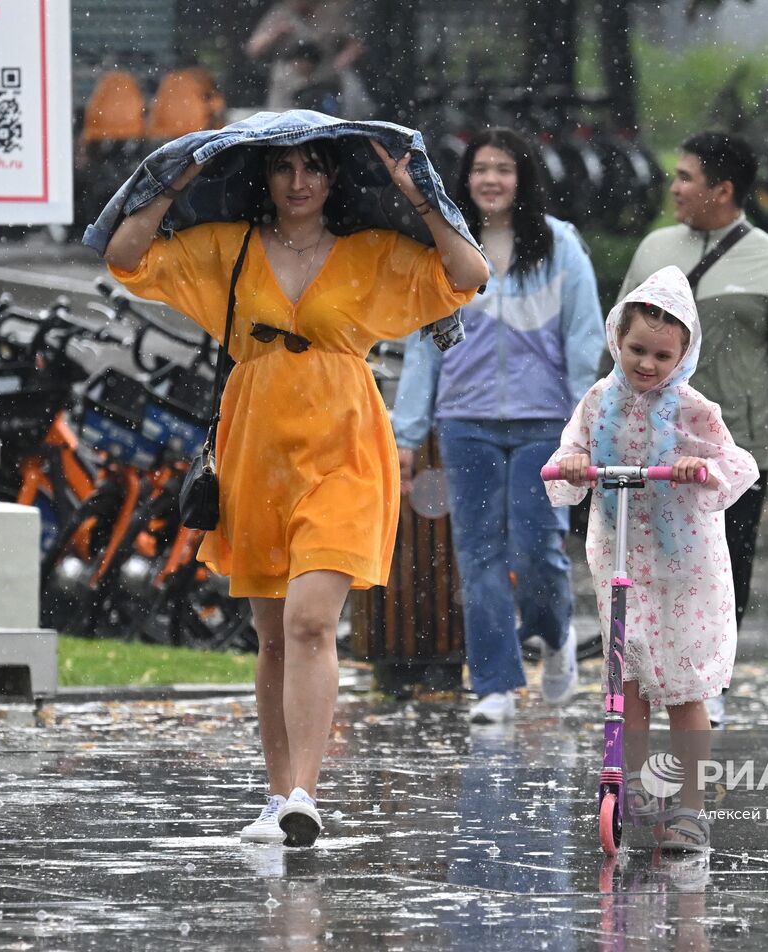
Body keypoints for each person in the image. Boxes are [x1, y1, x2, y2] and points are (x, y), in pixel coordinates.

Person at [102, 138, 488, 846]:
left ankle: (305, 792)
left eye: (313, 166)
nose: (299, 179)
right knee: (273, 636)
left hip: (346, 451)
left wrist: (419, 194)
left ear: (335, 176)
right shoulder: (229, 248)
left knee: (311, 620)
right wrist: (176, 175)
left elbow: (468, 271)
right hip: (255, 452)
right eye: (284, 166)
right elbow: (127, 257)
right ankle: (277, 796)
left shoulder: (370, 251)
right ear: (265, 176)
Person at [393, 128, 605, 724]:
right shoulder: (447, 249)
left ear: (523, 178)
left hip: (546, 426)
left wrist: (580, 427)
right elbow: (423, 348)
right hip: (466, 423)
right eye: (481, 169)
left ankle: (556, 634)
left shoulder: (560, 245)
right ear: (465, 181)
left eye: (503, 169)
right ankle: (494, 684)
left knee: (538, 550)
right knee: (478, 554)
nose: (491, 179)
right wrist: (408, 436)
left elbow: (586, 337)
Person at [548, 266, 759, 852]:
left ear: (683, 354)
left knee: (685, 688)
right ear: (618, 339)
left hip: (683, 568)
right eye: (637, 349)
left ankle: (691, 806)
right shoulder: (599, 400)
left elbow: (737, 466)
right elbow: (573, 449)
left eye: (662, 355)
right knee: (629, 683)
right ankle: (633, 792)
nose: (646, 364)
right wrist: (571, 463)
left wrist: (700, 468)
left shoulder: (692, 408)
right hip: (621, 559)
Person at [613, 131, 768, 727]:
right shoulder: (654, 250)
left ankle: (708, 681)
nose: (673, 188)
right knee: (652, 568)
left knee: (724, 570)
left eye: (685, 178)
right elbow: (621, 346)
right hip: (654, 448)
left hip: (735, 451)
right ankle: (650, 677)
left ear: (722, 190)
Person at [245, 0, 373, 118]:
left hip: (325, 78)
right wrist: (274, 34)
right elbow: (254, 48)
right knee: (282, 120)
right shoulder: (280, 13)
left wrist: (344, 59)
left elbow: (355, 44)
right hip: (289, 80)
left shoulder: (330, 13)